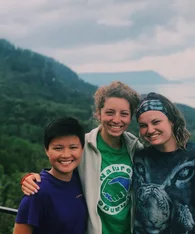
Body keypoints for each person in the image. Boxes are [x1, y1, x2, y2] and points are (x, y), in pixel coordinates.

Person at [20, 81, 143, 234]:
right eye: (110, 112)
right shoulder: (82, 146)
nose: (116, 120)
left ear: (131, 117)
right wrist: (31, 178)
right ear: (98, 113)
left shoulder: (136, 149)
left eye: (124, 114)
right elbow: (60, 171)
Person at [133, 92, 195, 234]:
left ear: (171, 121)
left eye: (156, 122)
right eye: (143, 125)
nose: (150, 130)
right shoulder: (139, 158)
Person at [13, 117, 87, 234]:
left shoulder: (82, 179)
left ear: (82, 149)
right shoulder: (36, 192)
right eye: (58, 148)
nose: (66, 155)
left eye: (73, 147)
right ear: (46, 150)